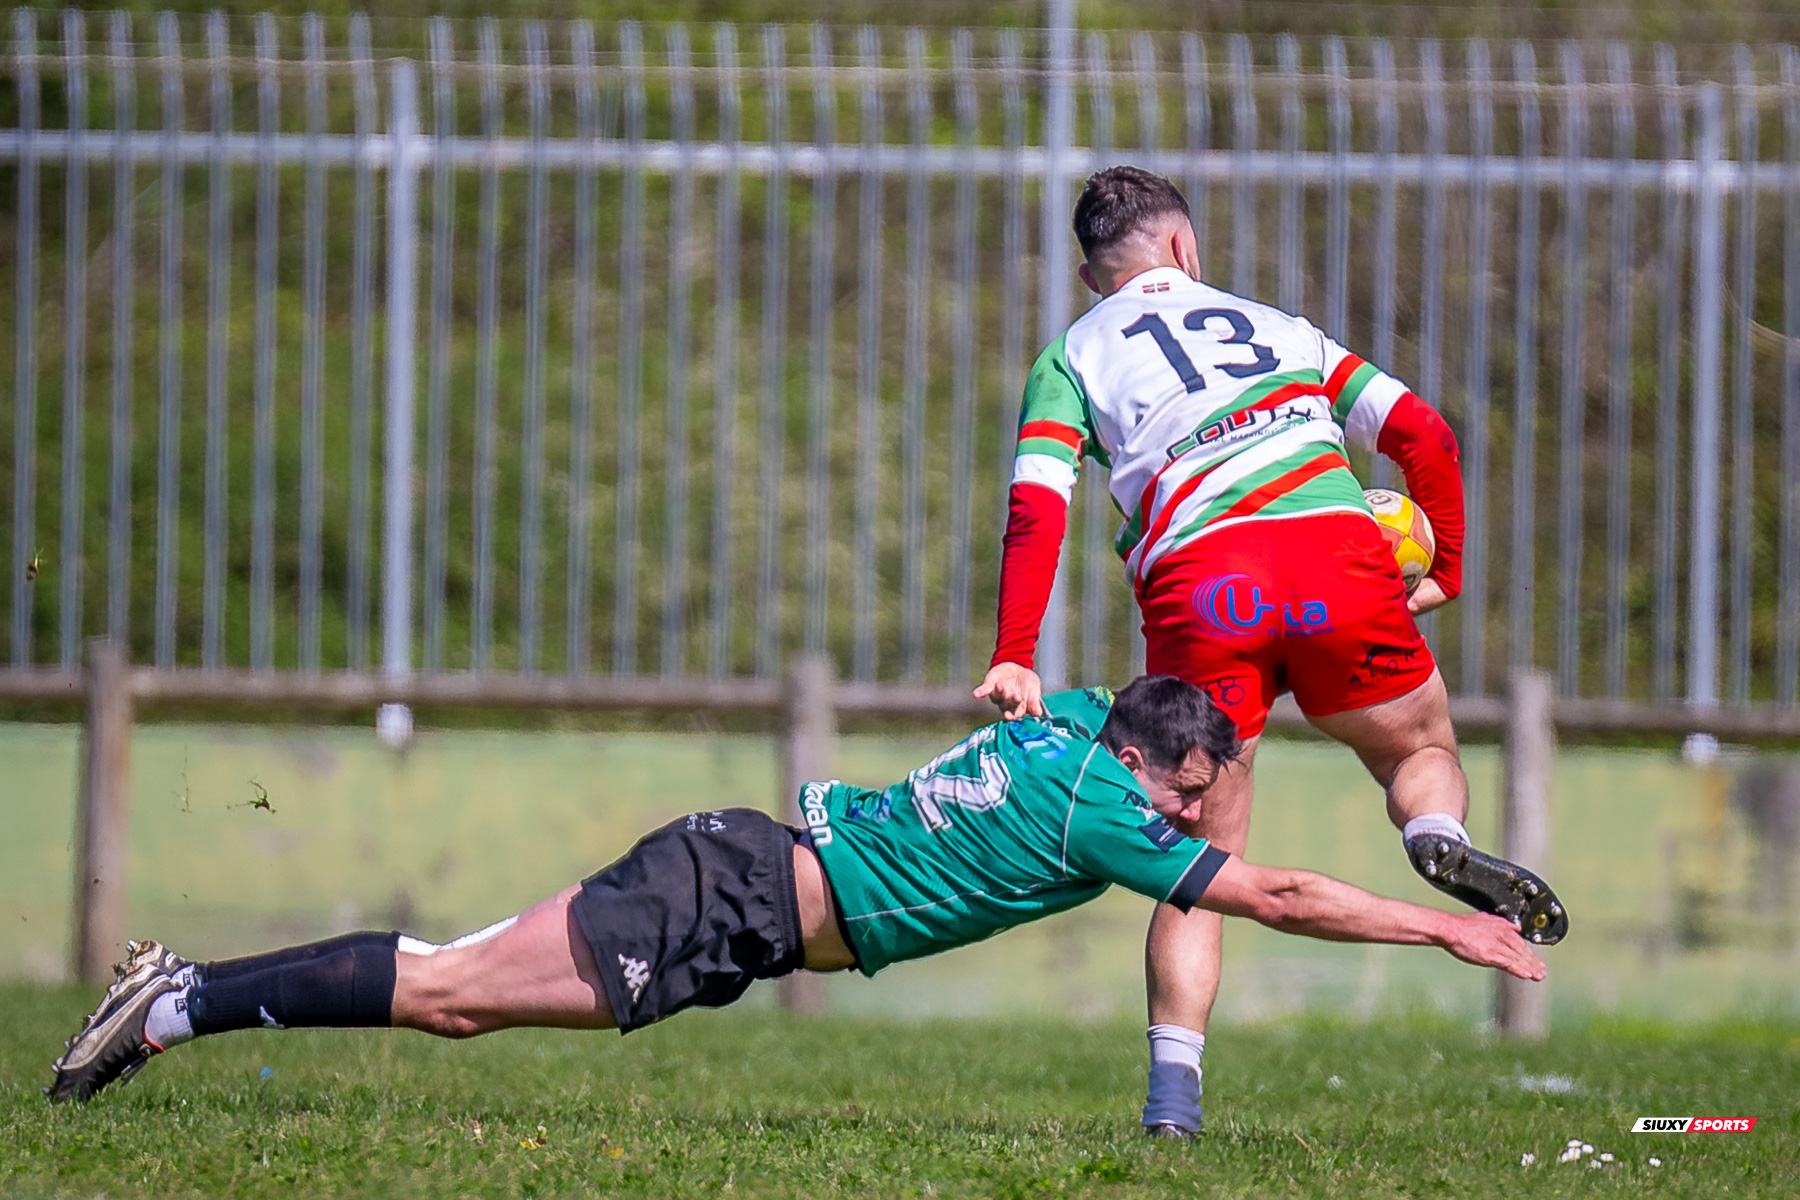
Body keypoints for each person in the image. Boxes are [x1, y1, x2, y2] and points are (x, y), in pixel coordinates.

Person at [48, 676, 1543, 1108]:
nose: (1202, 815)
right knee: (447, 994)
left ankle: (182, 997)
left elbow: (1094, 685)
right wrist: (1444, 922)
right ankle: (178, 1003)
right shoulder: (1111, 804)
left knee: (456, 990)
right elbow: (1273, 894)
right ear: (1172, 776)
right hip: (726, 897)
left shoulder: (1078, 723)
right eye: (1204, 787)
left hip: (738, 879)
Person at [974, 166, 1567, 1137]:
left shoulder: (1070, 354)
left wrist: (1015, 651)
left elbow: (1036, 508)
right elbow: (1425, 436)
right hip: (1336, 559)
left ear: (1093, 278)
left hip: (1203, 587)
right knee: (1418, 750)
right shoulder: (1280, 329)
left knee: (1203, 861)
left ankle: (1174, 1104)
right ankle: (1435, 839)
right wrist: (1444, 568)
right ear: (1184, 249)